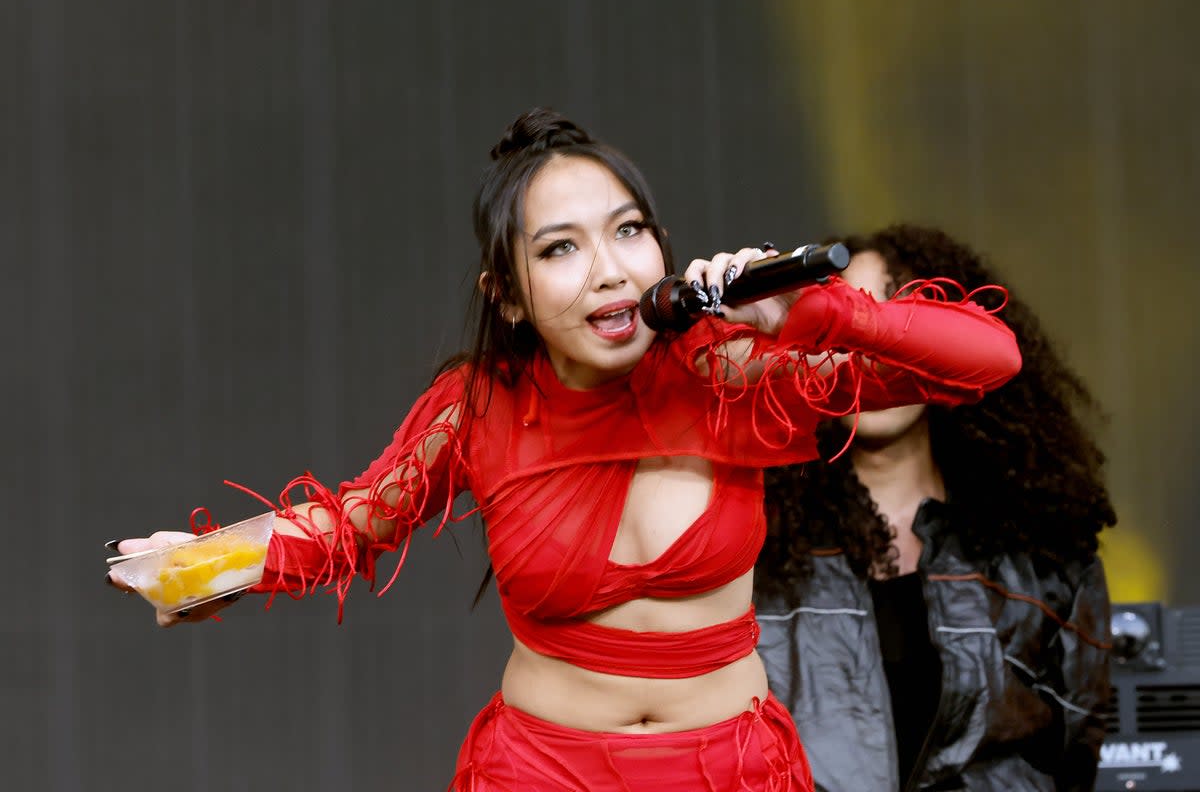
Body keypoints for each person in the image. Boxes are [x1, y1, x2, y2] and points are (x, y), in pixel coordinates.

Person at [106, 112, 1022, 791]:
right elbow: (354, 523)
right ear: (506, 293)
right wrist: (197, 567)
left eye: (629, 232)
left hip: (731, 771)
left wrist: (814, 314)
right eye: (560, 248)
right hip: (541, 771)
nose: (612, 270)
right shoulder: (480, 409)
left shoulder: (731, 371)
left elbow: (990, 360)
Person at [755, 224, 1116, 792]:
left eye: (894, 325)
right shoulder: (756, 544)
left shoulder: (1042, 547)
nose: (869, 350)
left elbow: (1075, 750)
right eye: (844, 320)